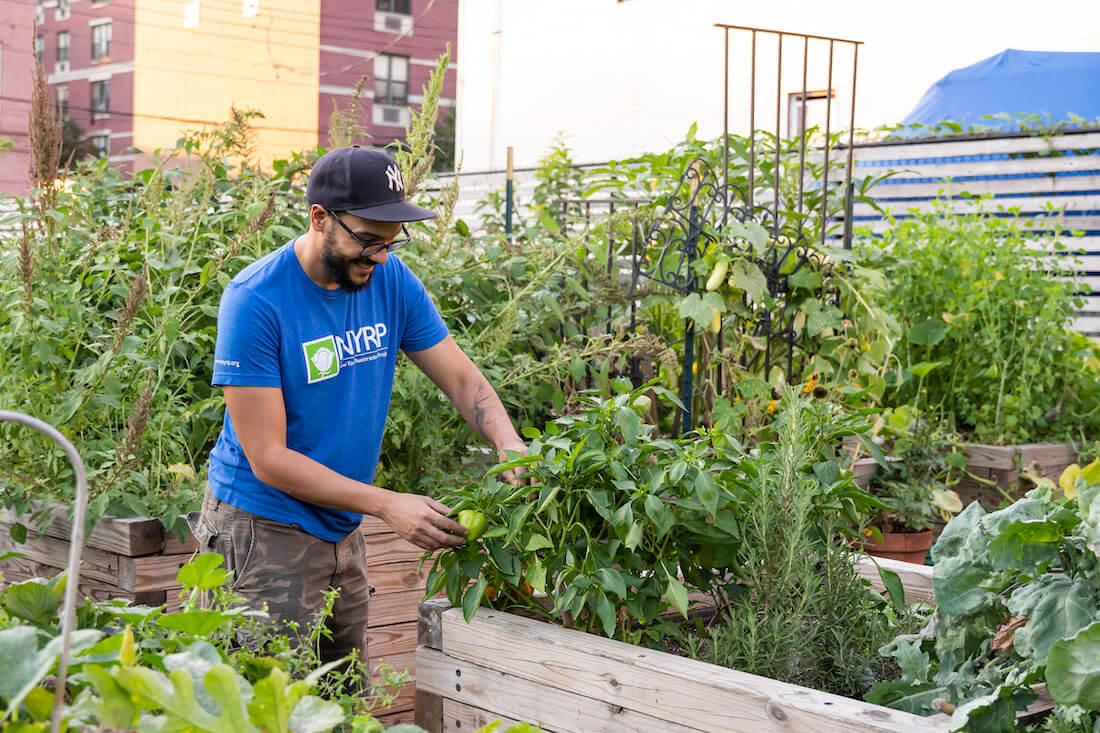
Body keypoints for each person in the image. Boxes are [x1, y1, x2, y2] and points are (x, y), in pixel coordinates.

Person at [190, 146, 528, 671]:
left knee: (343, 702)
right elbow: (269, 458)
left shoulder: (390, 279)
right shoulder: (256, 300)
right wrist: (388, 504)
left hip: (342, 527)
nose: (381, 257)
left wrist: (509, 443)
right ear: (319, 218)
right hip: (262, 529)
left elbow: (461, 377)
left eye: (392, 242)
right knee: (260, 701)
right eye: (368, 240)